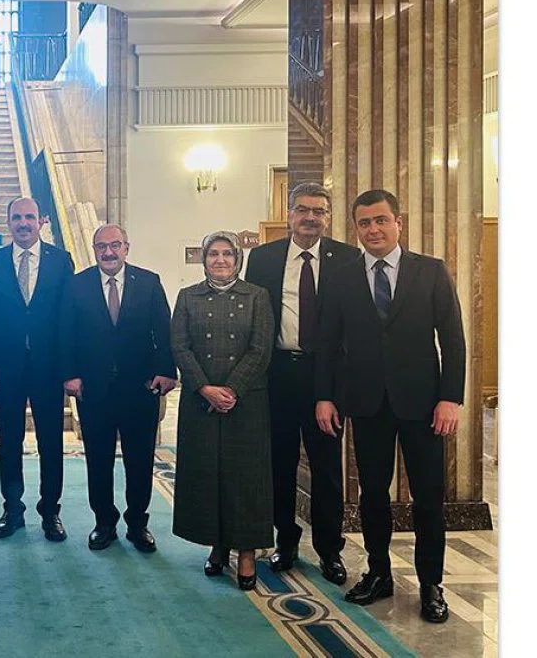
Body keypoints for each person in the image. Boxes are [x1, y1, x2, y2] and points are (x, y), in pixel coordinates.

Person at [315, 189, 465, 624]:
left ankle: (431, 583)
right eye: (364, 223)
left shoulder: (430, 271)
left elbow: (453, 340)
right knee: (373, 494)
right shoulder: (341, 276)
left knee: (428, 497)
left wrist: (450, 398)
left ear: (398, 222)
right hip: (366, 403)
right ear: (356, 229)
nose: (373, 229)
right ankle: (379, 571)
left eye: (381, 220)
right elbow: (327, 344)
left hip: (423, 405)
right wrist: (325, 396)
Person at [244, 182, 358, 586]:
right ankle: (286, 541)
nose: (311, 217)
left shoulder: (348, 258)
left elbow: (352, 326)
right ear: (289, 214)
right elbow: (254, 319)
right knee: (280, 464)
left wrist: (337, 389)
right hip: (277, 374)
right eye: (303, 210)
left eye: (319, 211)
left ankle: (329, 549)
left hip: (325, 378)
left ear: (328, 217)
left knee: (327, 468)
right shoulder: (262, 258)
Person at [59, 224, 176, 552]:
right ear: (94, 249)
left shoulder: (149, 282)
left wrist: (166, 371)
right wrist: (70, 374)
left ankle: (138, 524)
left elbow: (163, 331)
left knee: (140, 460)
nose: (108, 252)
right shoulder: (77, 284)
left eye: (115, 245)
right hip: (93, 389)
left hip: (140, 388)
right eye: (101, 246)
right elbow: (66, 332)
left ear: (126, 247)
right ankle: (104, 523)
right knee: (98, 460)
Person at [170, 231, 274, 590]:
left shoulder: (257, 296)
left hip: (246, 402)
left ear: (238, 259)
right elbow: (180, 346)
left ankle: (246, 552)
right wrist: (205, 388)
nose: (220, 260)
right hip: (201, 402)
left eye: (227, 254)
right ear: (204, 260)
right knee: (208, 473)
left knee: (245, 478)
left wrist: (231, 390)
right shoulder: (188, 297)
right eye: (213, 254)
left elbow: (261, 348)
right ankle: (217, 544)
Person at [0, 197, 75, 541]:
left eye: (29, 217)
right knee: (9, 439)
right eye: (17, 217)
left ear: (41, 221)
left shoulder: (61, 261)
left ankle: (50, 511)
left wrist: (68, 367)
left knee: (51, 440)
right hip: (6, 367)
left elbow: (68, 317)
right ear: (8, 222)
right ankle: (12, 509)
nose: (23, 223)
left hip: (48, 367)